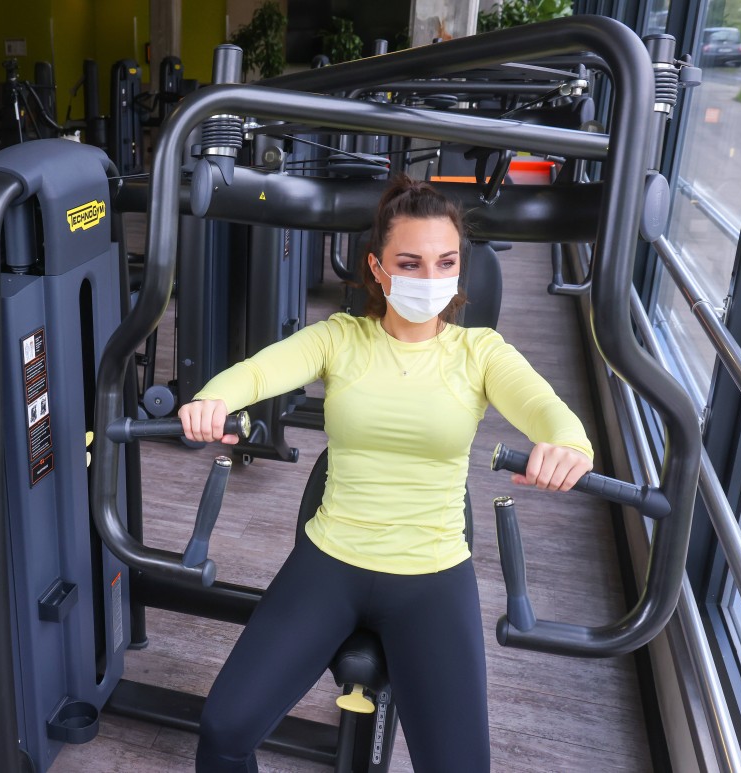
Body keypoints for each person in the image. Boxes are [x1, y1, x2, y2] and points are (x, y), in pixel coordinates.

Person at [179, 176, 594, 773]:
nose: (431, 279)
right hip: (331, 560)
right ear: (377, 268)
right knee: (223, 730)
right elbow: (252, 374)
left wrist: (568, 445)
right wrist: (212, 401)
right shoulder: (340, 339)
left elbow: (548, 411)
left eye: (444, 262)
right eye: (410, 262)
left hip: (431, 574)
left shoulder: (481, 352)